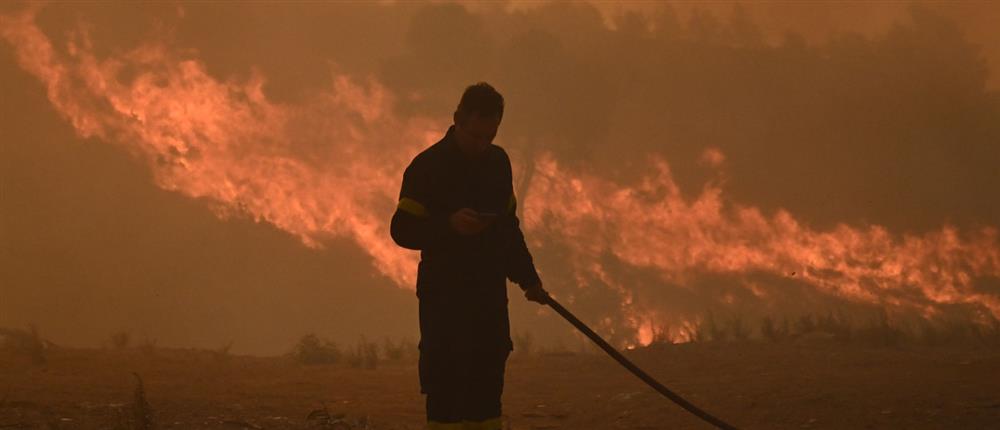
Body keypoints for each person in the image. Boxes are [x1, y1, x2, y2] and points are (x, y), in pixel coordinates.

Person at [390, 82, 549, 430]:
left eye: (488, 137)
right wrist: (447, 225)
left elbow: (508, 229)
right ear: (457, 119)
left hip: (487, 300)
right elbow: (401, 230)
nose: (481, 145)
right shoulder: (427, 167)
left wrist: (529, 279)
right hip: (443, 300)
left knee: (487, 391)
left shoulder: (498, 164)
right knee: (445, 391)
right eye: (475, 136)